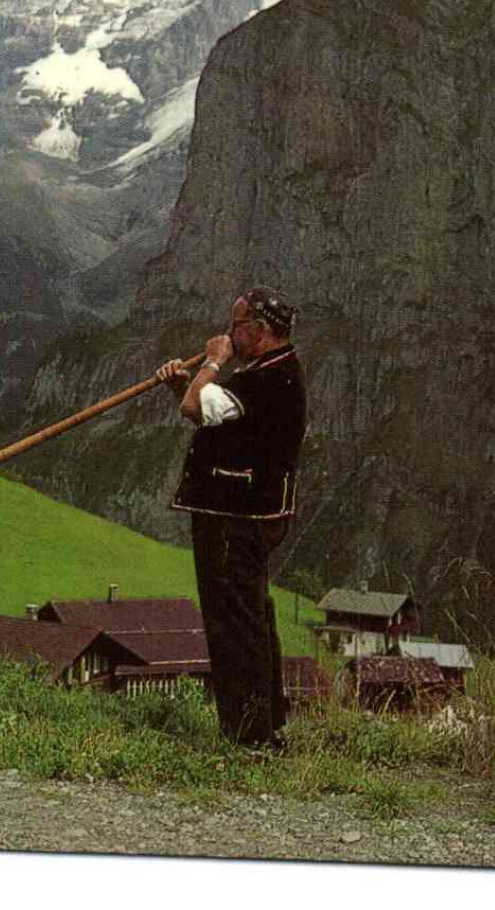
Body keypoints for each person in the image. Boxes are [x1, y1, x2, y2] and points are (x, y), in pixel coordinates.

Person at [155, 286, 306, 748]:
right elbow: (211, 415)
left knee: (232, 622)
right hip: (249, 516)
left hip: (236, 518)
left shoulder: (265, 378)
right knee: (252, 616)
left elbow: (197, 407)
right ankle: (265, 725)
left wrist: (210, 364)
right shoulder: (270, 372)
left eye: (235, 325)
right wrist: (183, 381)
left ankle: (248, 735)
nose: (227, 333)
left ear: (259, 331)